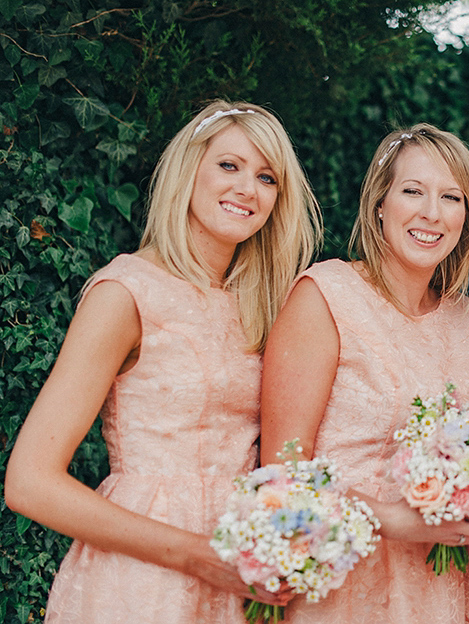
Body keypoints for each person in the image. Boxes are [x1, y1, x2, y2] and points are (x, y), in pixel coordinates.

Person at [4, 100, 322, 623]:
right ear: (188, 168)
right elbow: (29, 482)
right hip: (143, 579)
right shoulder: (125, 293)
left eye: (267, 178)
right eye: (229, 165)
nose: (247, 188)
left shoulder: (264, 304)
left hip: (241, 577)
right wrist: (198, 556)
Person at [259, 124, 469, 624]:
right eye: (413, 191)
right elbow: (279, 477)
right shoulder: (325, 296)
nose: (432, 212)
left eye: (451, 197)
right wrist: (392, 519)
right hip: (343, 585)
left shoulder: (465, 318)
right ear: (380, 203)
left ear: (466, 217)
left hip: (441, 588)